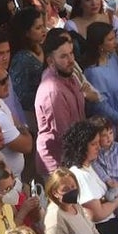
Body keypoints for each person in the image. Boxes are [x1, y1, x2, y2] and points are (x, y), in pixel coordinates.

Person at [34, 30, 87, 176]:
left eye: (71, 53)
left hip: (74, 157)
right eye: (63, 56)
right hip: (58, 165)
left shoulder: (70, 76)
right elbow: (64, 135)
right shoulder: (52, 91)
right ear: (51, 61)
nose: (71, 60)